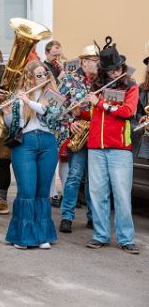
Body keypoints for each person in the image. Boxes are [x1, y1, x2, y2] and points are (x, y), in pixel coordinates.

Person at [85, 38, 139, 254]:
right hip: (96, 147)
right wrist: (81, 109)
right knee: (98, 193)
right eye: (111, 70)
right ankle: (100, 235)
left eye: (118, 68)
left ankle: (126, 238)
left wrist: (101, 103)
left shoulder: (131, 86)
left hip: (119, 148)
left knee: (122, 195)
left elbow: (127, 112)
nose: (116, 72)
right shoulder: (96, 86)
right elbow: (92, 115)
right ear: (104, 71)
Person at [2, 60, 62, 249]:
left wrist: (28, 102)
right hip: (25, 144)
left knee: (42, 192)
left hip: (48, 143)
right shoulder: (19, 95)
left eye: (45, 74)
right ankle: (23, 236)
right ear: (29, 77)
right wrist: (7, 113)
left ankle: (42, 235)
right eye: (39, 75)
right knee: (27, 191)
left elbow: (50, 114)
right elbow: (13, 126)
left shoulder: (53, 94)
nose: (43, 77)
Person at [57, 45, 99, 233]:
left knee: (94, 179)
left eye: (99, 61)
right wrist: (69, 123)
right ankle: (67, 216)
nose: (98, 64)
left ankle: (93, 217)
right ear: (84, 61)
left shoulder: (102, 81)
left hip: (98, 134)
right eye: (95, 61)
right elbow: (57, 106)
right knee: (74, 176)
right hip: (80, 133)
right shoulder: (70, 80)